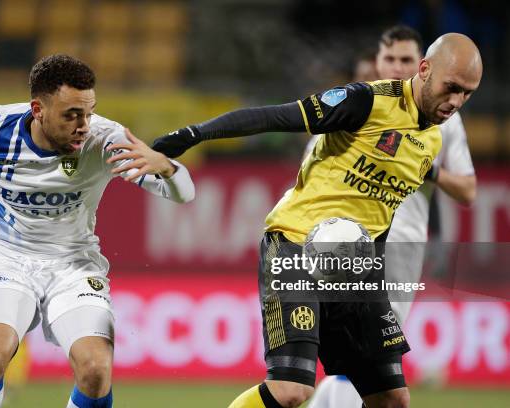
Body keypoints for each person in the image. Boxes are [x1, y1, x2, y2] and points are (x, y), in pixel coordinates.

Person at [151, 33, 482, 408]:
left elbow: (381, 213)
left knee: (392, 399)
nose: (456, 101)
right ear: (425, 69)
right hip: (296, 247)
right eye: (451, 87)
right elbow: (275, 116)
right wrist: (195, 134)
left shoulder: (433, 140)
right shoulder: (367, 101)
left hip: (357, 267)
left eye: (467, 93)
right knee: (291, 391)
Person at [0, 54, 195, 408]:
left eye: (89, 112)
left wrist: (168, 169)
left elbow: (185, 194)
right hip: (7, 258)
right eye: (72, 114)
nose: (84, 124)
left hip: (73, 265)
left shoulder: (105, 140)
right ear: (38, 109)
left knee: (96, 370)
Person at [306, 25, 477, 408]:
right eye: (390, 59)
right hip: (343, 244)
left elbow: (468, 190)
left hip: (400, 247)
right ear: (376, 62)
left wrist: (425, 168)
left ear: (424, 66)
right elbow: (310, 178)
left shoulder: (444, 119)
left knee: (363, 368)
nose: (397, 67)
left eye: (405, 60)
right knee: (364, 366)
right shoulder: (353, 108)